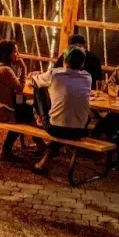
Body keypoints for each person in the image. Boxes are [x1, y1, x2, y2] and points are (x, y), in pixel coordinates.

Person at [30, 46, 92, 175]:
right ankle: (47, 157)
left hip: (56, 129)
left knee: (38, 88)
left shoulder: (54, 74)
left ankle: (38, 116)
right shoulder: (87, 77)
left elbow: (33, 81)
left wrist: (35, 75)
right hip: (81, 130)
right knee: (67, 115)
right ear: (82, 63)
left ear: (65, 60)